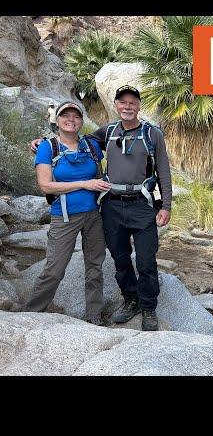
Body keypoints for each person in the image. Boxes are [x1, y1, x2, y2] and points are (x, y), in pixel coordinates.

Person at [31, 86, 172, 331]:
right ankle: (131, 300)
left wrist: (166, 206)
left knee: (146, 260)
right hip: (111, 207)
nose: (128, 107)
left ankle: (148, 307)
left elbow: (164, 171)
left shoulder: (152, 134)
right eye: (123, 102)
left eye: (132, 102)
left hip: (140, 205)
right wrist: (40, 142)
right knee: (120, 259)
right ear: (116, 105)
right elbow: (68, 142)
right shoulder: (107, 132)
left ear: (138, 106)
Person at [25, 101, 111, 325]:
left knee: (94, 267)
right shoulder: (48, 147)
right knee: (54, 269)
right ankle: (32, 314)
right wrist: (86, 184)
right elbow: (45, 185)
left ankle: (94, 318)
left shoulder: (91, 145)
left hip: (94, 215)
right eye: (66, 115)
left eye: (76, 116)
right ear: (57, 120)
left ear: (82, 121)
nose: (71, 120)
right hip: (63, 217)